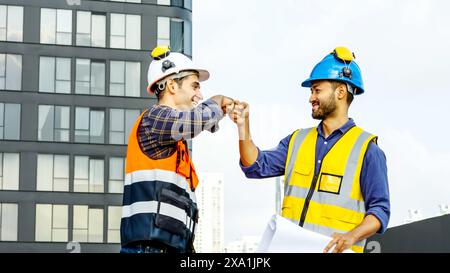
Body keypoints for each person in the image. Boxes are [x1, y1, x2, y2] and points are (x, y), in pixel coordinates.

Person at [230, 47, 390, 253]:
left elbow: (380, 211)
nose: (311, 98)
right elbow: (254, 166)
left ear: (341, 92)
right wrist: (243, 126)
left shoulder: (368, 150)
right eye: (311, 91)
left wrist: (352, 236)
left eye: (317, 90)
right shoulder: (297, 141)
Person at [120, 45, 235, 253]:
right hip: (149, 247)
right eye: (195, 86)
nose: (199, 94)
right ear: (172, 86)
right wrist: (216, 101)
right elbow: (194, 121)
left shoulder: (174, 141)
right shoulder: (154, 119)